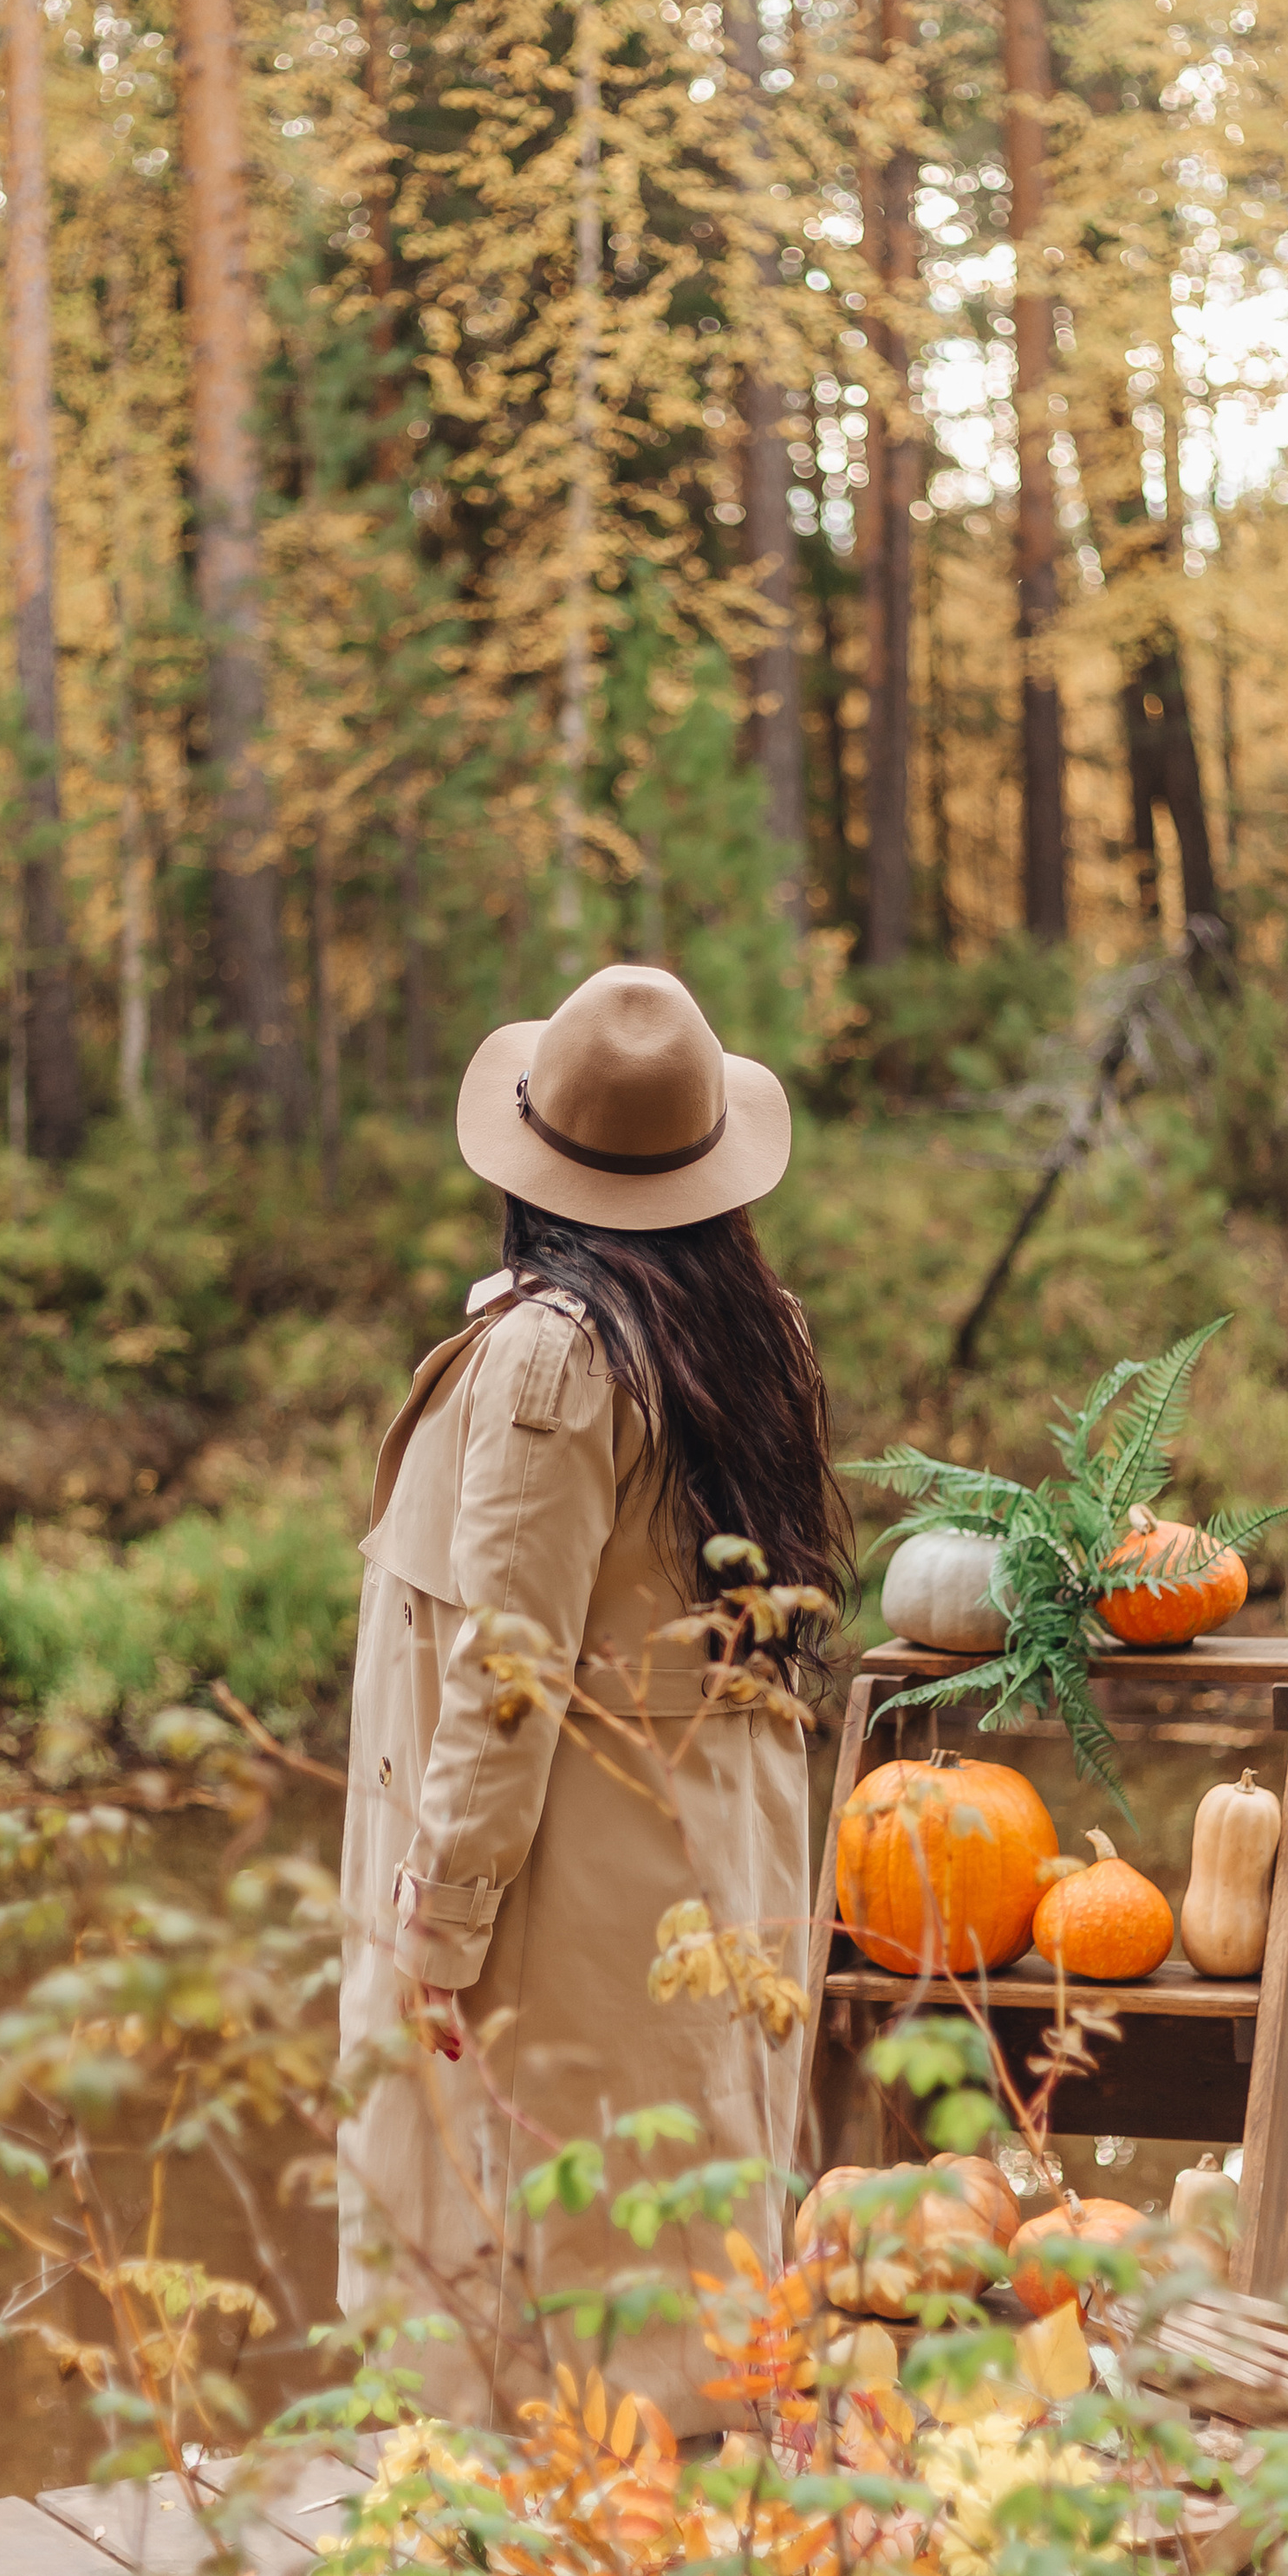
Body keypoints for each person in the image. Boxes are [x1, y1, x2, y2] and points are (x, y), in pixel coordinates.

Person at [335, 963, 849, 2438]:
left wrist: (440, 1927)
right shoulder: (740, 1331)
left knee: (556, 2251)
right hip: (692, 1849)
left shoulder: (556, 1356)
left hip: (572, 1878)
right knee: (675, 2214)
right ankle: (673, 2573)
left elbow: (508, 1679)